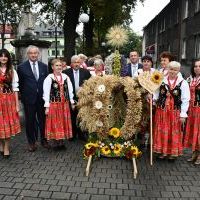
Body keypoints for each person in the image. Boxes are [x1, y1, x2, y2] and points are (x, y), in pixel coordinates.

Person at [153, 61, 190, 160]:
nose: (172, 71)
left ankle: (172, 153)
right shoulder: (162, 80)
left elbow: (186, 99)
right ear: (168, 69)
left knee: (173, 132)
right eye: (171, 69)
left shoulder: (183, 82)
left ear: (178, 71)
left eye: (175, 69)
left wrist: (183, 114)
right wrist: (153, 100)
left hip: (175, 112)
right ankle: (162, 152)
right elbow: (156, 93)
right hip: (162, 111)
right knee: (162, 131)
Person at [17, 45, 49, 152]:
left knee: (43, 120)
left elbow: (47, 83)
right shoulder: (21, 67)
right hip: (28, 99)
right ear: (28, 54)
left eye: (35, 53)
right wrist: (23, 96)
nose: (33, 55)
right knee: (30, 122)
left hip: (42, 99)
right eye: (31, 53)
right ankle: (31, 142)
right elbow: (20, 84)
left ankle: (44, 140)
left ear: (38, 54)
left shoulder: (44, 66)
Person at [43, 59, 75, 150]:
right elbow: (46, 92)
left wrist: (72, 102)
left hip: (64, 105)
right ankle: (55, 143)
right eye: (56, 65)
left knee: (63, 123)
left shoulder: (65, 77)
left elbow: (70, 90)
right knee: (55, 123)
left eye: (60, 65)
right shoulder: (49, 78)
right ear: (52, 67)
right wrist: (47, 106)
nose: (59, 67)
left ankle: (61, 142)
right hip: (54, 104)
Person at [63, 55, 91, 140]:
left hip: (82, 98)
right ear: (71, 63)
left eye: (78, 62)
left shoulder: (85, 72)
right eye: (74, 62)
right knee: (71, 116)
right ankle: (72, 134)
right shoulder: (65, 73)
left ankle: (81, 134)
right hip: (69, 98)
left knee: (81, 116)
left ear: (81, 63)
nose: (76, 64)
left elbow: (89, 85)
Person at [0, 49, 21, 158]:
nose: (3, 58)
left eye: (5, 56)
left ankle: (6, 147)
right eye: (1, 56)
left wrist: (17, 104)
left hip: (8, 101)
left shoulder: (12, 71)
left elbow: (15, 88)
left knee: (7, 125)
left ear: (8, 58)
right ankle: (1, 144)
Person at [184, 59, 200, 165]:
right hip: (192, 110)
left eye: (199, 66)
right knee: (194, 132)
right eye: (195, 66)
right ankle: (195, 153)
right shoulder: (190, 79)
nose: (197, 68)